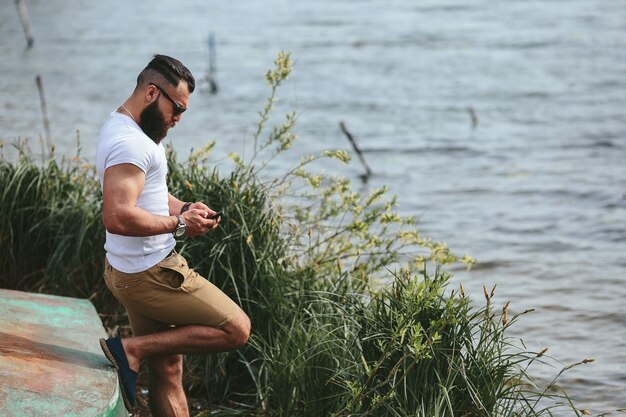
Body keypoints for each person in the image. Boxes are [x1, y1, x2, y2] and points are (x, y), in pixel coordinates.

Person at [95, 54, 251, 416]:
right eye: (177, 109)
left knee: (168, 368)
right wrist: (180, 226)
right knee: (237, 329)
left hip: (129, 269)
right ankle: (130, 350)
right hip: (150, 274)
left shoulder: (125, 127)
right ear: (152, 93)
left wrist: (182, 209)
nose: (179, 119)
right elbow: (117, 215)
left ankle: (137, 350)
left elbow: (144, 195)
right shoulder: (133, 144)